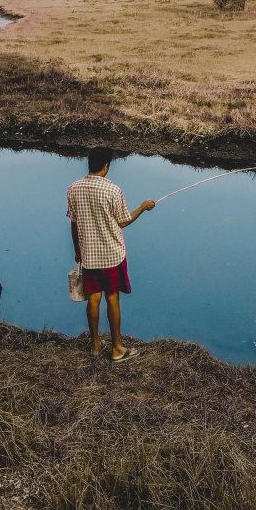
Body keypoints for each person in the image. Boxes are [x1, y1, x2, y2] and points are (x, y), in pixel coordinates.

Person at [67, 147, 155, 362]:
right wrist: (143, 206)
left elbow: (74, 223)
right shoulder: (112, 190)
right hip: (112, 256)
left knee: (94, 298)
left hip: (89, 255)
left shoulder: (74, 188)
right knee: (112, 297)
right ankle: (117, 348)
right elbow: (124, 220)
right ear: (106, 166)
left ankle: (95, 345)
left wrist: (77, 250)